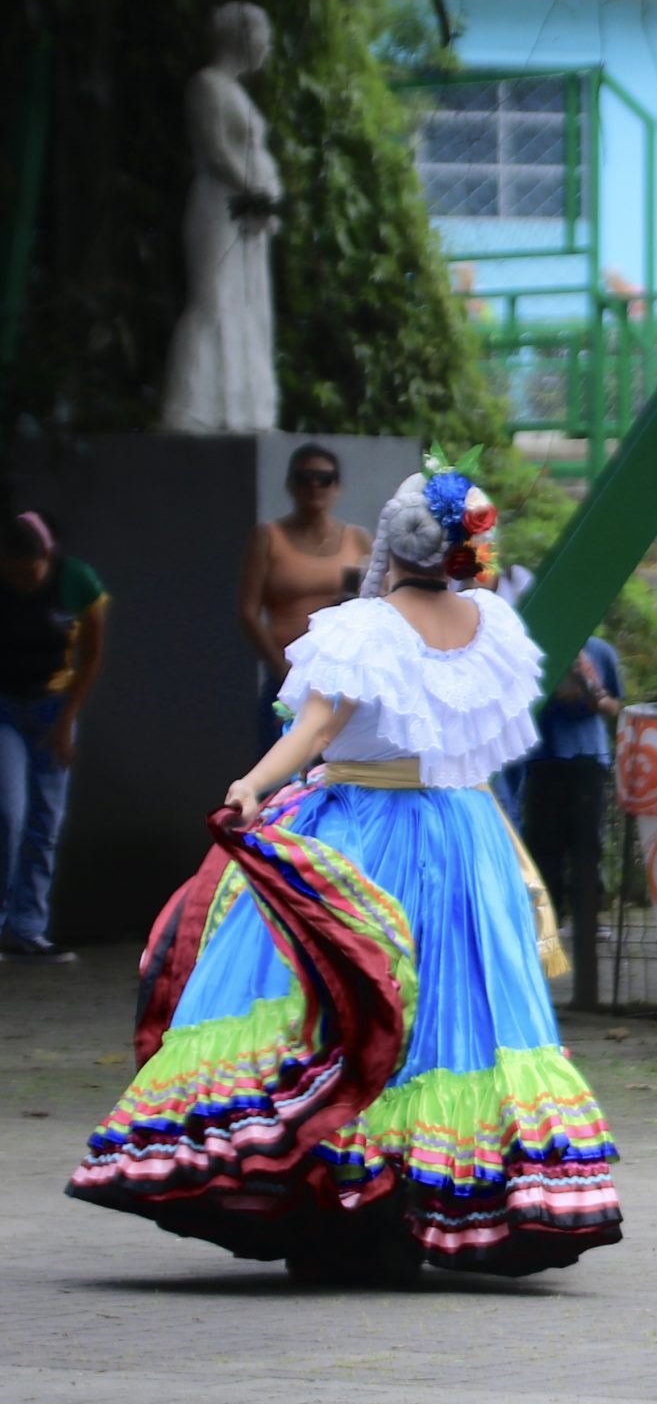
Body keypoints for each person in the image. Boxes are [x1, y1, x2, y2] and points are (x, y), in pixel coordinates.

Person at [69, 465, 621, 1283]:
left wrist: (255, 784)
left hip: (367, 836)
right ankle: (434, 1201)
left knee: (341, 1005)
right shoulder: (493, 624)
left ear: (396, 543)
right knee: (452, 1015)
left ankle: (342, 1206)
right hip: (466, 838)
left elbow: (319, 721)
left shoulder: (365, 626)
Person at [0, 512, 108, 961]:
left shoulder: (77, 580)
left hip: (53, 706)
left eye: (35, 569)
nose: (28, 579)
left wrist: (66, 722)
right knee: (8, 813)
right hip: (5, 705)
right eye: (17, 571)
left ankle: (27, 928)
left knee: (45, 820)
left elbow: (91, 655)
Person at [239, 442, 371, 746]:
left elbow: (375, 601)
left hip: (343, 678)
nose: (315, 485)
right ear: (290, 484)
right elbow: (247, 611)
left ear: (337, 487)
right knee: (284, 781)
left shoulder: (358, 539)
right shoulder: (268, 537)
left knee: (339, 776)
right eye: (305, 477)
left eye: (325, 478)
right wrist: (280, 669)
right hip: (287, 676)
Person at [520, 633, 622, 950]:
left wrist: (592, 694)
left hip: (588, 756)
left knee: (588, 843)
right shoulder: (535, 644)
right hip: (544, 756)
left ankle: (588, 921)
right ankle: (546, 923)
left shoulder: (601, 651)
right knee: (543, 844)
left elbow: (615, 704)